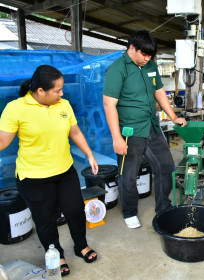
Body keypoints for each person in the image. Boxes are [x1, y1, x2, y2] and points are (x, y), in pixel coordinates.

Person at [0, 65, 98, 277]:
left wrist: (90, 155)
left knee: (75, 211)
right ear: (41, 91)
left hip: (64, 172)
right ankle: (57, 255)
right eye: (57, 90)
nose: (62, 94)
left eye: (62, 89)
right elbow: (2, 141)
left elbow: (75, 131)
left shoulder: (63, 105)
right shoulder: (16, 108)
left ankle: (80, 246)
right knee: (45, 219)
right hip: (34, 177)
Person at [103, 30, 187, 229]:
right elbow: (109, 104)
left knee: (165, 166)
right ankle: (130, 211)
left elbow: (159, 91)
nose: (147, 59)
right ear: (131, 48)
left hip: (151, 125)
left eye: (150, 55)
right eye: (144, 54)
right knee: (129, 173)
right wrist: (116, 137)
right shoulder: (117, 69)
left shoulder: (150, 65)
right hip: (129, 131)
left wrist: (173, 116)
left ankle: (163, 208)